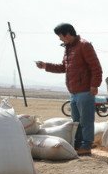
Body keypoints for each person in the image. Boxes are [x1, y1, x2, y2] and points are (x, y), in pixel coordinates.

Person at [36, 23, 102, 156]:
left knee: (86, 120)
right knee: (76, 121)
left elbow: (96, 67)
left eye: (60, 37)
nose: (60, 40)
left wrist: (94, 85)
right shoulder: (68, 48)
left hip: (85, 91)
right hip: (74, 92)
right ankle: (77, 144)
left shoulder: (84, 45)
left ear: (67, 34)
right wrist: (45, 66)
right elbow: (63, 67)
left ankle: (86, 145)